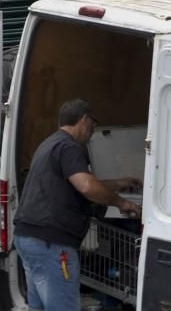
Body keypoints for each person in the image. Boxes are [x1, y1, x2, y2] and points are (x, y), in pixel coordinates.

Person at [13, 99, 141, 310]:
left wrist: (119, 182)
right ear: (84, 120)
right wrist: (121, 202)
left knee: (40, 306)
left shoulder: (50, 143)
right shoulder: (69, 147)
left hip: (29, 238)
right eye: (93, 124)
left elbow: (79, 180)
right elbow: (87, 186)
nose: (93, 130)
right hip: (52, 244)